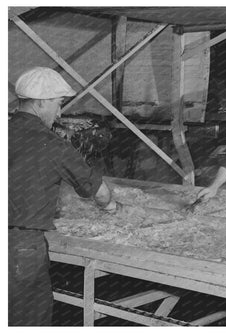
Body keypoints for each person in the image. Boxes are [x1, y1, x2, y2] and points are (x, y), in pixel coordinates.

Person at [8, 67, 117, 326]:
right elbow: (96, 190)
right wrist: (111, 206)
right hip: (19, 245)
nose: (60, 112)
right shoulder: (52, 144)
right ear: (42, 102)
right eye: (58, 104)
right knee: (28, 316)